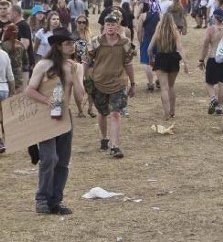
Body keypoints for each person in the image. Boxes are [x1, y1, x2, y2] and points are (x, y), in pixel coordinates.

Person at [26, 29, 85, 214]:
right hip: (45, 117)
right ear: (59, 46)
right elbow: (29, 90)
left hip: (64, 116)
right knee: (49, 158)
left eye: (73, 43)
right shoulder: (44, 65)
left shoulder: (75, 66)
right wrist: (46, 100)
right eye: (68, 43)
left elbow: (79, 95)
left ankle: (55, 201)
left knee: (63, 161)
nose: (72, 46)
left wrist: (76, 76)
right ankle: (42, 198)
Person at [85, 12, 136, 158]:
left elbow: (128, 63)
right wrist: (85, 79)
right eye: (108, 24)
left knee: (115, 114)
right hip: (99, 82)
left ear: (118, 26)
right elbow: (86, 61)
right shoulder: (96, 41)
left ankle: (115, 146)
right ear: (104, 26)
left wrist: (132, 83)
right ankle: (104, 138)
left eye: (113, 24)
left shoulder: (125, 43)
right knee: (102, 112)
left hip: (118, 83)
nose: (110, 27)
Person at [148, 14, 189, 122]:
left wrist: (151, 58)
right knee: (171, 86)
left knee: (164, 88)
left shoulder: (158, 31)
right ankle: (172, 111)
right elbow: (180, 48)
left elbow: (149, 48)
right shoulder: (175, 32)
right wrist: (185, 63)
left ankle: (166, 113)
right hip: (173, 59)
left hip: (161, 58)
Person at [198, 8, 223, 116]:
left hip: (212, 58)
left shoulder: (210, 30)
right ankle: (219, 107)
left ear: (215, 17)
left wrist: (201, 59)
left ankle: (213, 98)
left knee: (209, 82)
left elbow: (205, 45)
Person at [1, 24, 25, 93]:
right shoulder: (21, 44)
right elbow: (26, 62)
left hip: (6, 79)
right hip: (19, 78)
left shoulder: (3, 46)